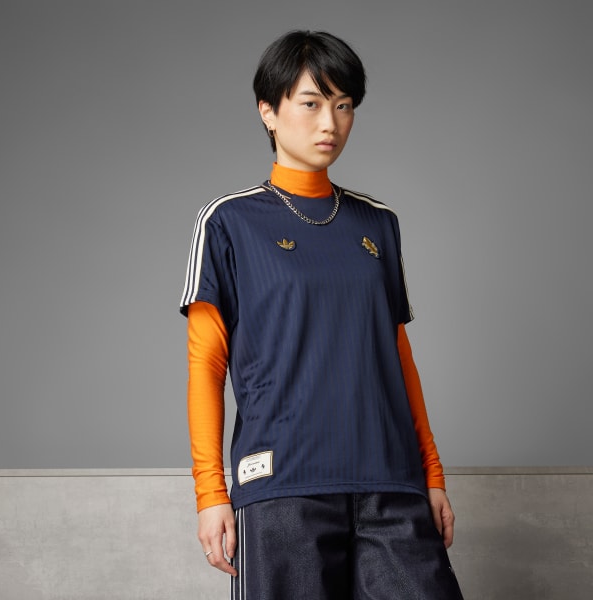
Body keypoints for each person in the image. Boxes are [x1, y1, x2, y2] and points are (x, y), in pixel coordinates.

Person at [180, 30, 463, 600]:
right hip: (283, 486)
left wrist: (431, 473)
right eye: (311, 103)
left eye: (344, 105)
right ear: (268, 111)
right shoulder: (229, 221)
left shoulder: (378, 224)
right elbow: (206, 365)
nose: (329, 123)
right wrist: (211, 493)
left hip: (391, 481)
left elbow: (398, 357)